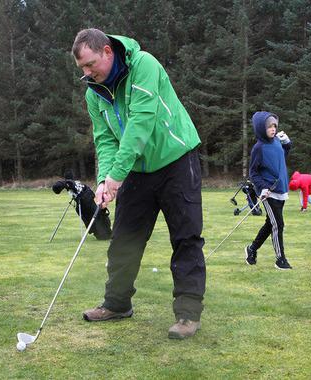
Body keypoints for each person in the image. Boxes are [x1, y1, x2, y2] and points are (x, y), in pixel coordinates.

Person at [72, 29, 205, 339]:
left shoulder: (144, 65)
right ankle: (117, 304)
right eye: (82, 70)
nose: (88, 73)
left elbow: (140, 122)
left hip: (176, 160)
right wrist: (106, 178)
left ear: (107, 51)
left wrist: (116, 176)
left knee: (186, 238)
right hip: (135, 170)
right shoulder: (94, 93)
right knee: (123, 240)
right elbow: (104, 139)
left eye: (91, 65)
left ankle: (187, 314)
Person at [244, 111, 293, 270]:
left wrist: (287, 144)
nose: (273, 129)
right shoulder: (258, 148)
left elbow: (281, 156)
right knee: (278, 224)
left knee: (270, 224)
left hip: (281, 189)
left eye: (274, 126)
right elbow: (253, 172)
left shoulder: (277, 142)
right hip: (269, 192)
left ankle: (251, 249)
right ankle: (280, 259)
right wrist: (262, 188)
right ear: (260, 128)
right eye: (269, 127)